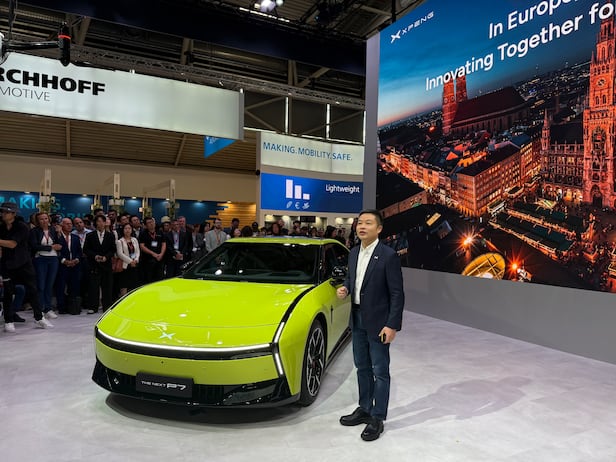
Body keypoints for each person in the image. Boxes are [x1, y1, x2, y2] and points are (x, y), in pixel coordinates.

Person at [336, 209, 404, 442]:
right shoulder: (354, 252)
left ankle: (377, 417)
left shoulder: (388, 255)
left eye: (368, 223)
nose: (362, 226)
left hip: (378, 322)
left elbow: (397, 294)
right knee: (361, 367)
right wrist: (345, 288)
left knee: (380, 371)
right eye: (359, 223)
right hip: (356, 318)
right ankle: (364, 408)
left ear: (379, 228)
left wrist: (392, 325)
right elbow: (352, 279)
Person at [0, 202, 53, 330]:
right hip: (7, 264)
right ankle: (8, 320)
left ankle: (39, 318)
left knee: (32, 290)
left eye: (6, 212)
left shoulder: (22, 226)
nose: (3, 214)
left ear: (13, 214)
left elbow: (12, 244)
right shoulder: (1, 227)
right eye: (2, 212)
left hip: (23, 263)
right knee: (8, 292)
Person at [29, 212, 63, 319]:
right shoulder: (34, 231)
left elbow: (60, 245)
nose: (44, 221)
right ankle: (40, 308)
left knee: (49, 285)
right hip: (40, 259)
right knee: (41, 285)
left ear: (49, 219)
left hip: (53, 259)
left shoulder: (53, 230)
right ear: (37, 221)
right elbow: (34, 246)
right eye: (41, 219)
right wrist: (51, 247)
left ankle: (48, 308)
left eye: (46, 218)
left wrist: (59, 233)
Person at [83, 214, 116, 314]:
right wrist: (95, 256)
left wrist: (106, 257)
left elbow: (113, 250)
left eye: (102, 221)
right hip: (94, 264)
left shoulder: (110, 235)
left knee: (107, 286)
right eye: (98, 221)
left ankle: (107, 306)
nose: (100, 223)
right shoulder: (90, 235)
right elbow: (86, 249)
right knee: (93, 286)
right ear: (95, 223)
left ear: (105, 223)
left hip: (106, 265)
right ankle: (93, 307)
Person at [116, 223, 140, 296]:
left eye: (129, 228)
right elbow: (120, 254)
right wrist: (130, 261)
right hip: (125, 266)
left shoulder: (134, 239)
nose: (127, 230)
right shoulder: (120, 241)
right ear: (123, 230)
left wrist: (136, 260)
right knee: (124, 285)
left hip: (134, 265)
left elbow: (138, 251)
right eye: (125, 228)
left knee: (134, 285)